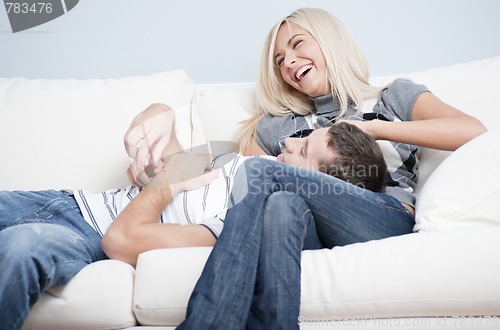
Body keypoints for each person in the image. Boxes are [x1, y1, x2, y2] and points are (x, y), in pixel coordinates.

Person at [173, 7, 487, 329]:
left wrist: (375, 129)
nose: (290, 62)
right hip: (311, 228)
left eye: (297, 45)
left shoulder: (391, 97)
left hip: (381, 216)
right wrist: (164, 159)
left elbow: (471, 130)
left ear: (328, 41)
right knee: (280, 203)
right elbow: (231, 174)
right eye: (280, 60)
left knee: (262, 173)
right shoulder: (278, 126)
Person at [0, 101, 385, 329]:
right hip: (65, 199)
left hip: (83, 233)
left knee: (21, 246)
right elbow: (163, 165)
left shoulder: (242, 221)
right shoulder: (243, 163)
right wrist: (160, 113)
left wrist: (165, 183)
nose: (287, 142)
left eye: (302, 153)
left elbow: (122, 239)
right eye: (302, 138)